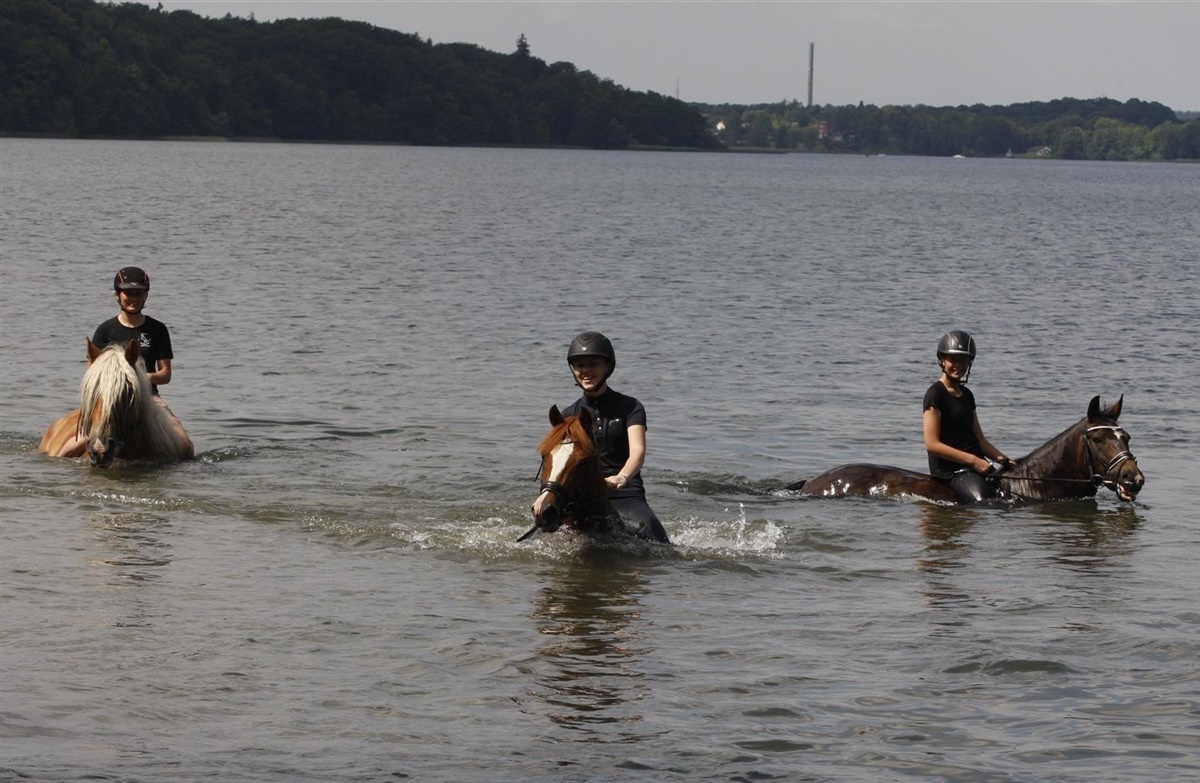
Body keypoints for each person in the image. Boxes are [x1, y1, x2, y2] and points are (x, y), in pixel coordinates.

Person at [535, 331, 671, 544]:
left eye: (593, 364)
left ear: (607, 367)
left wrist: (622, 477)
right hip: (579, 499)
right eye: (580, 365)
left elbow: (638, 452)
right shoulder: (567, 416)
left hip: (624, 494)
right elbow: (558, 463)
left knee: (655, 535)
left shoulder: (630, 407)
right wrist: (546, 494)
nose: (585, 371)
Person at [52, 266, 193, 457]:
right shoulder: (105, 330)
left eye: (139, 293)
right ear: (118, 295)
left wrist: (137, 378)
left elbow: (165, 375)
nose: (134, 298)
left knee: (185, 445)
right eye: (128, 293)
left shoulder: (157, 329)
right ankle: (54, 466)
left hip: (149, 397)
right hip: (108, 399)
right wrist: (115, 383)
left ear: (145, 296)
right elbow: (93, 372)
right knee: (76, 444)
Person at [922, 330, 1015, 503]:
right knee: (986, 503)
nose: (958, 365)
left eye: (963, 360)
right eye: (953, 359)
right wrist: (973, 461)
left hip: (974, 467)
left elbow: (980, 441)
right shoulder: (935, 394)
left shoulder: (967, 395)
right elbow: (932, 444)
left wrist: (1004, 460)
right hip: (953, 472)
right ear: (942, 360)